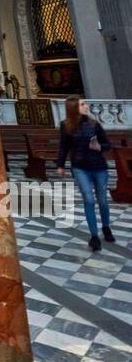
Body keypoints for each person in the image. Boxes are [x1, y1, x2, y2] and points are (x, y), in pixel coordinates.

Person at [56, 96, 115, 252]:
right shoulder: (66, 126)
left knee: (102, 199)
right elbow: (63, 147)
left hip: (99, 166)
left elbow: (108, 144)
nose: (86, 106)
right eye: (82, 104)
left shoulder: (94, 124)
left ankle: (106, 227)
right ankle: (94, 236)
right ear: (74, 107)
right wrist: (60, 165)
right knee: (88, 199)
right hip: (80, 167)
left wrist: (99, 147)